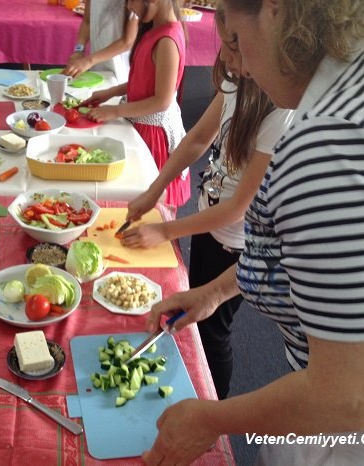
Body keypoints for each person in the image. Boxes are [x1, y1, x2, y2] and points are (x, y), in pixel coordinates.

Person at [142, 1, 364, 465]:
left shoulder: (331, 144)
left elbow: (356, 396)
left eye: (238, 43)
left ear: (277, 11)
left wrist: (210, 420)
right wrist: (218, 292)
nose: (238, 67)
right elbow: (328, 256)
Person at [122, 7, 294, 399]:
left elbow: (238, 209)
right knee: (194, 313)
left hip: (236, 246)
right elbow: (198, 138)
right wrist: (154, 190)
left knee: (212, 331)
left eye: (233, 50)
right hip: (207, 224)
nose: (226, 62)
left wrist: (165, 228)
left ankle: (211, 399)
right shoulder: (237, 80)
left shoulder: (280, 112)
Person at [82, 0, 190, 207]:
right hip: (140, 125)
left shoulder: (167, 40)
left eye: (132, 0)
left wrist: (116, 111)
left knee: (153, 204)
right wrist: (109, 93)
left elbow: (162, 100)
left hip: (154, 135)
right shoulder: (153, 29)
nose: (130, 7)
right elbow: (143, 78)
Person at [63, 0, 138, 84]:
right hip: (97, 67)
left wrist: (89, 60)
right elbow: (87, 22)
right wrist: (79, 51)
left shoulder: (133, 3)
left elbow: (128, 41)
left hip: (120, 72)